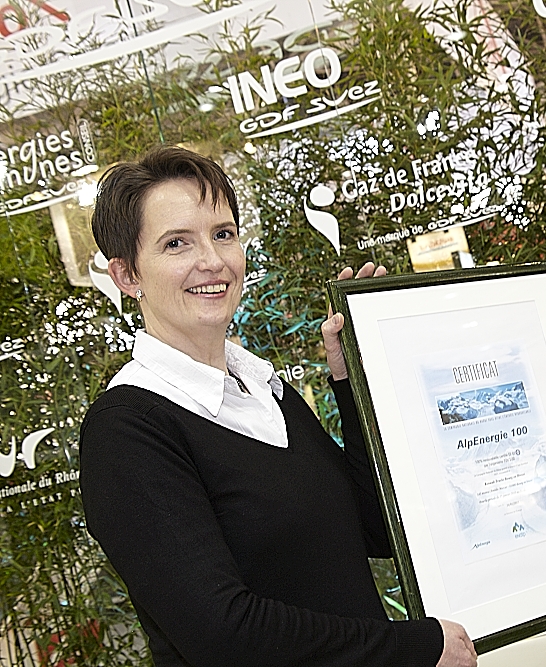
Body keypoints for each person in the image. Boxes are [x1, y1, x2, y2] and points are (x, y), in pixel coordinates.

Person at [79, 146, 478, 667]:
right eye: (177, 243)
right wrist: (414, 648)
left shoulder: (267, 390)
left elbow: (374, 528)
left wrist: (353, 378)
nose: (213, 261)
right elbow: (224, 636)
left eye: (223, 234)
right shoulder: (126, 432)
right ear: (127, 276)